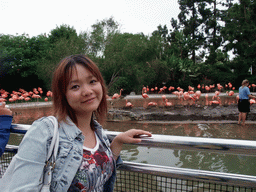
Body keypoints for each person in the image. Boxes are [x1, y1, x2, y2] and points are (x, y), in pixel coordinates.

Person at [0, 55, 151, 191]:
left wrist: (117, 141)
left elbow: (99, 170)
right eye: (75, 86)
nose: (87, 91)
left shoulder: (99, 133)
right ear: (63, 95)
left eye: (92, 81)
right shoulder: (44, 131)